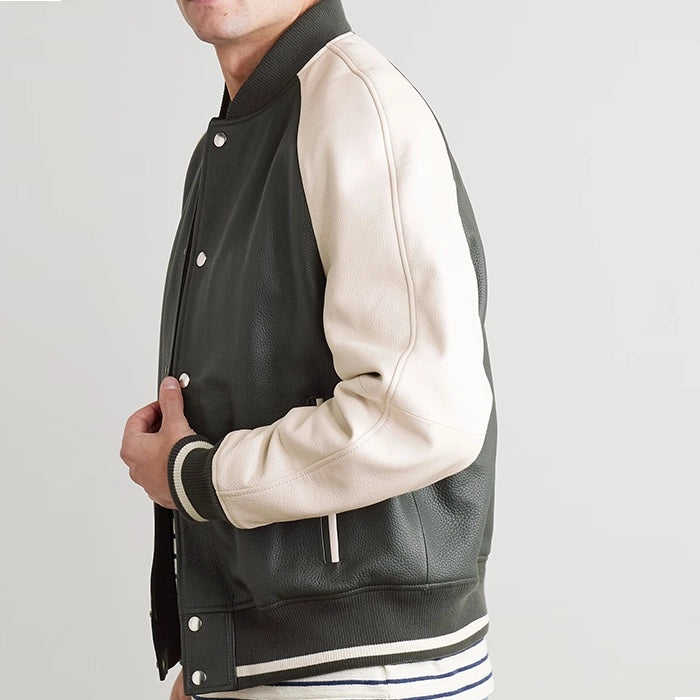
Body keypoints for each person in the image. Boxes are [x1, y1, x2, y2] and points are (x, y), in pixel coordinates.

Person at [119, 0, 498, 698]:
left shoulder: (358, 108)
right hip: (279, 664)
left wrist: (195, 476)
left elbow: (423, 414)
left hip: (367, 668)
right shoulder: (240, 135)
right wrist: (213, 665)